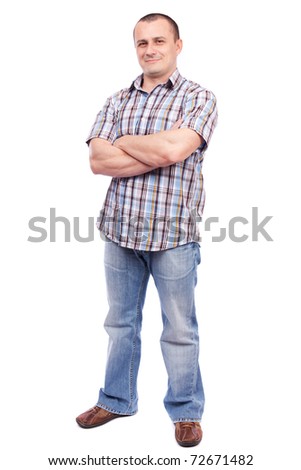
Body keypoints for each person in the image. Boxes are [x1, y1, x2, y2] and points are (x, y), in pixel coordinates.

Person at [76, 13, 218, 447]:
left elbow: (177, 147)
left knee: (179, 327)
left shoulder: (200, 98)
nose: (150, 49)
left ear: (178, 45)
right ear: (135, 48)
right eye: (142, 43)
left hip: (174, 234)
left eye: (159, 40)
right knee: (120, 323)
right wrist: (157, 150)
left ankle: (186, 412)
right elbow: (99, 161)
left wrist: (127, 142)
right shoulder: (117, 99)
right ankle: (116, 399)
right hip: (119, 231)